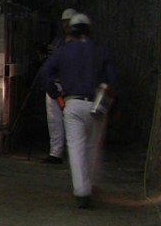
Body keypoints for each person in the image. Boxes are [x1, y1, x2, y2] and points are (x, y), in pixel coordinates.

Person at [35, 13, 117, 208]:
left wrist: (56, 94)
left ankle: (82, 191)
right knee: (92, 147)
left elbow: (44, 73)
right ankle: (92, 183)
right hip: (96, 103)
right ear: (89, 30)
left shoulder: (63, 52)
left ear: (71, 31)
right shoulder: (101, 51)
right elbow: (112, 81)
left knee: (76, 148)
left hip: (72, 104)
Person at [39, 8, 78, 163]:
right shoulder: (58, 41)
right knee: (54, 121)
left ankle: (74, 154)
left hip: (71, 88)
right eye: (64, 22)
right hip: (53, 86)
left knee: (72, 121)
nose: (66, 25)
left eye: (69, 22)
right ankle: (55, 153)